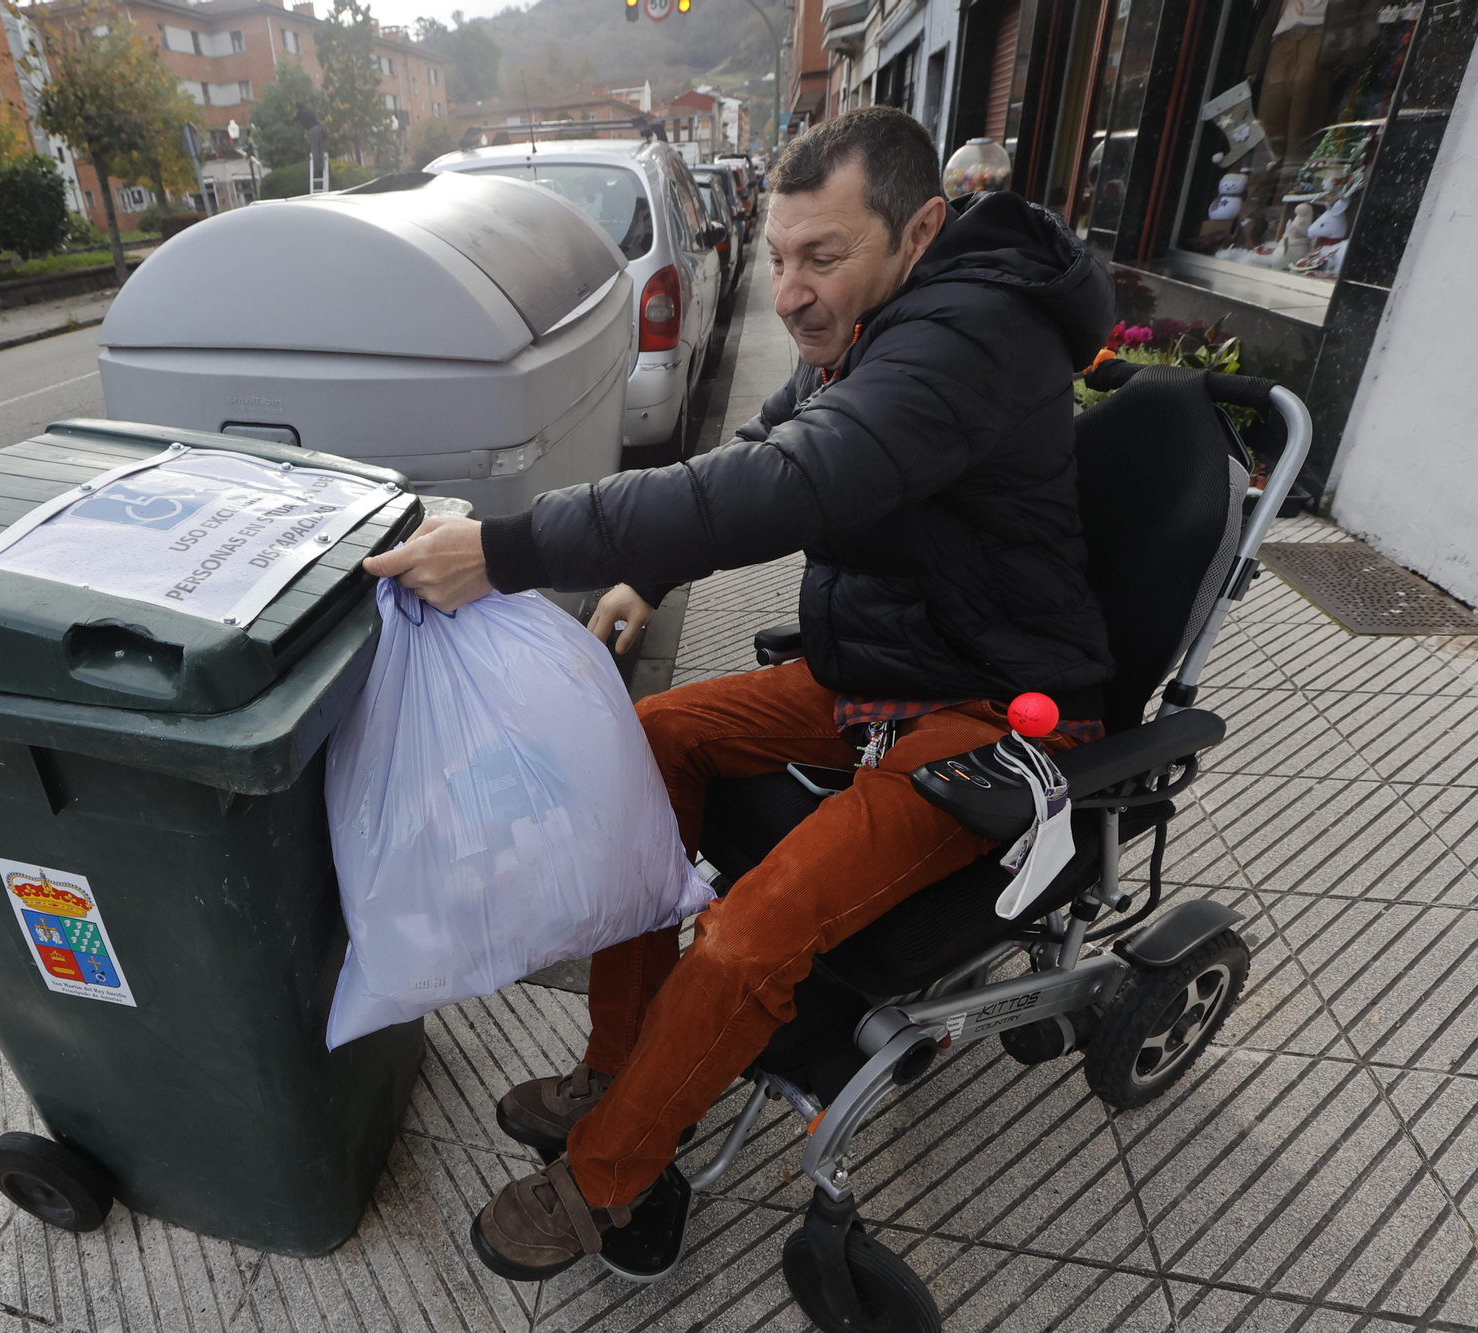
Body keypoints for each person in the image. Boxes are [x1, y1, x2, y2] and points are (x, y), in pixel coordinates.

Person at [361, 106, 1117, 1281]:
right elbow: (768, 437)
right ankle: (620, 1064)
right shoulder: (876, 326)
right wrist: (647, 568)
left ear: (919, 228)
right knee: (641, 741)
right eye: (776, 256)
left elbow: (787, 480)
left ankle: (605, 1179)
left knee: (741, 936)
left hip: (986, 712)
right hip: (875, 673)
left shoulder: (971, 340)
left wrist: (504, 548)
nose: (791, 290)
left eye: (822, 257)